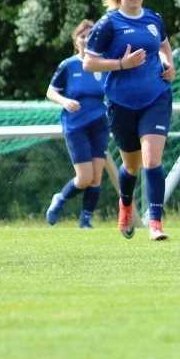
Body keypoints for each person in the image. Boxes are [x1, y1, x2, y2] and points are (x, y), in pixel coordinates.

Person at [83, 0, 177, 241]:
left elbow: (164, 45)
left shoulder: (154, 19)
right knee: (132, 167)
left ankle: (155, 223)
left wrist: (168, 64)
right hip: (121, 103)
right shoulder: (108, 23)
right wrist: (122, 64)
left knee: (152, 160)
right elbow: (89, 62)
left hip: (156, 97)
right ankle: (125, 207)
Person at [45, 19, 108, 228]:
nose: (87, 40)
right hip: (76, 125)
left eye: (91, 36)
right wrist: (65, 101)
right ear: (76, 40)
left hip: (99, 124)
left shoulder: (103, 65)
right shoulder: (69, 65)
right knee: (84, 177)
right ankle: (60, 199)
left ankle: (85, 221)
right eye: (83, 36)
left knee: (96, 177)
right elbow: (51, 91)